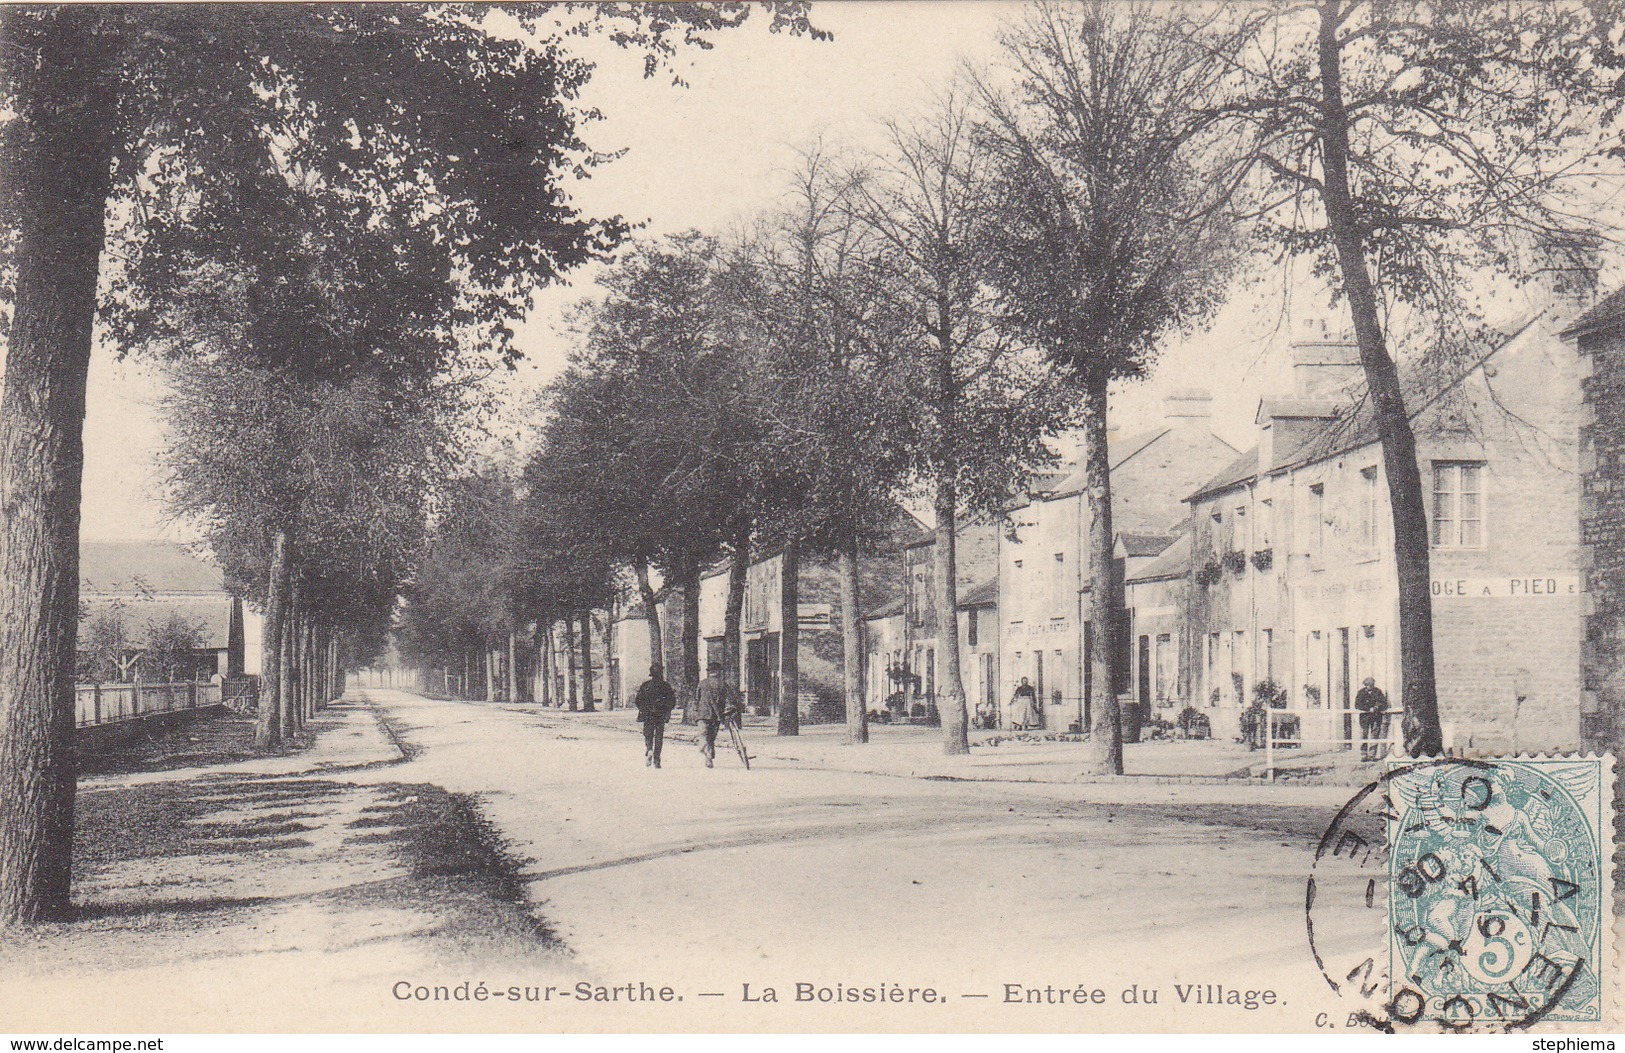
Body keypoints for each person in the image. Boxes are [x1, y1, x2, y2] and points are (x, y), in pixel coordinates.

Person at [694, 660, 742, 768]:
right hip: (716, 715)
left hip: (703, 714)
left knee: (703, 735)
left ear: (709, 672)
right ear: (718, 672)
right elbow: (731, 698)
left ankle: (708, 753)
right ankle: (709, 754)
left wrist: (697, 709)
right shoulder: (723, 684)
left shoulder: (702, 683)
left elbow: (697, 698)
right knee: (711, 736)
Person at [633, 663, 677, 768]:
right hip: (660, 715)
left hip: (648, 714)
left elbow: (638, 700)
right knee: (659, 736)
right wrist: (666, 710)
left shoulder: (645, 685)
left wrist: (643, 709)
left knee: (648, 734)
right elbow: (672, 701)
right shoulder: (665, 686)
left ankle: (649, 749)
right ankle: (657, 760)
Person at [1355, 677, 1388, 761]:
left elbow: (1384, 703)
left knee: (1374, 736)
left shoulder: (1378, 692)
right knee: (1364, 736)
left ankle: (1372, 755)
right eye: (1367, 685)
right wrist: (1368, 709)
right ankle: (1363, 754)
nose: (1369, 686)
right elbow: (1357, 705)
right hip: (1364, 718)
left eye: (1370, 685)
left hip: (1376, 718)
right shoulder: (1361, 693)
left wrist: (1377, 707)